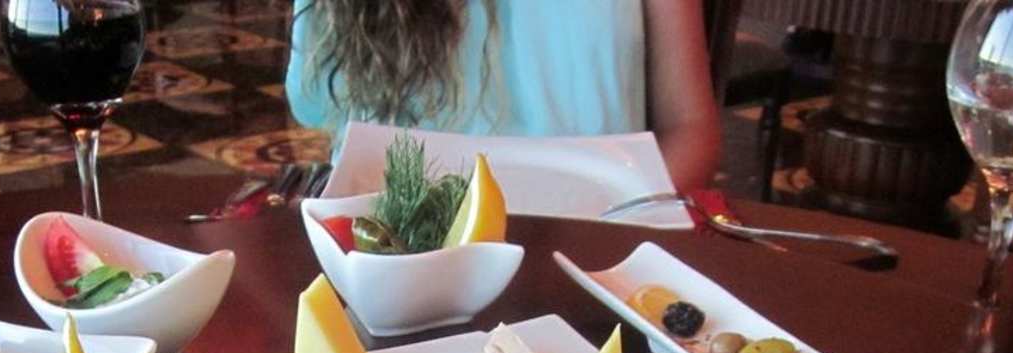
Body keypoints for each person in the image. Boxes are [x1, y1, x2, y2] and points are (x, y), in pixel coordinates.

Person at [285, 0, 722, 191]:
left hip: (597, 258)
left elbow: (690, 129)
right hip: (401, 253)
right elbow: (323, 107)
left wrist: (625, 219)